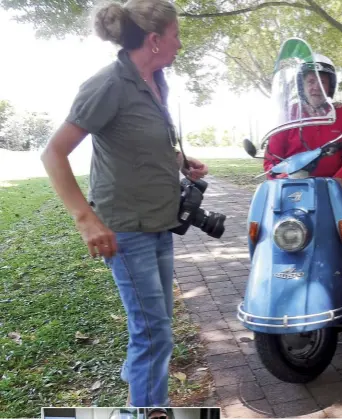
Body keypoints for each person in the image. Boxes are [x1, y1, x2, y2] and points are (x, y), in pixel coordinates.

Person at [40, 0, 209, 406]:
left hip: (159, 223)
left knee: (156, 327)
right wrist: (86, 219)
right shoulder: (109, 84)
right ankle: (148, 410)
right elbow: (53, 153)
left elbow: (139, 142)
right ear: (154, 40)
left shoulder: (155, 81)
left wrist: (181, 162)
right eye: (175, 35)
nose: (179, 44)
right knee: (152, 332)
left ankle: (143, 396)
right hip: (126, 229)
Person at [264, 53, 342, 281]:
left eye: (322, 81)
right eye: (310, 81)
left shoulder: (340, 113)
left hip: (333, 184)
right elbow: (272, 158)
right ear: (302, 85)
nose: (315, 87)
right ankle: (276, 262)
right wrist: (284, 177)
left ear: (330, 85)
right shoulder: (289, 114)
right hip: (295, 184)